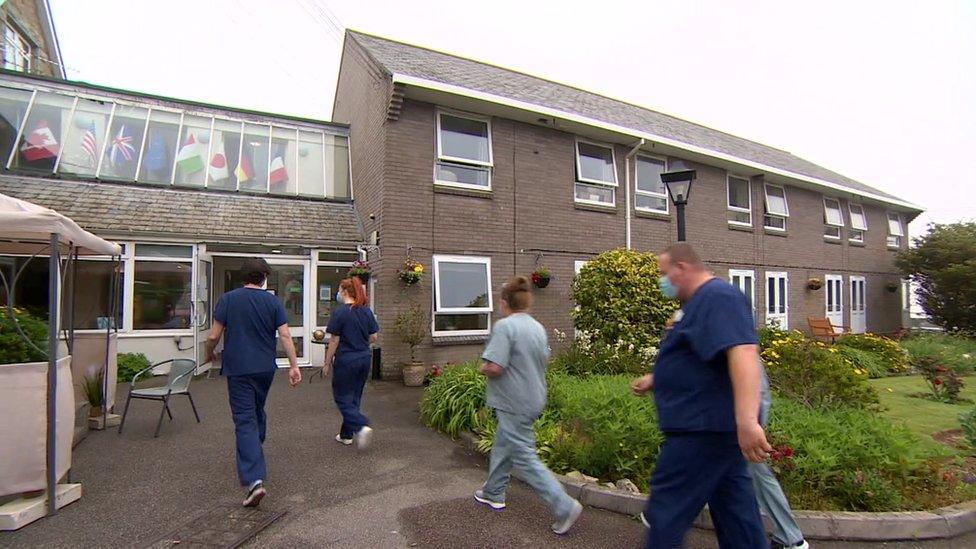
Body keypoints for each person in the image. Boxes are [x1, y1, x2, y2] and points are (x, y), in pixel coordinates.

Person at [631, 243, 771, 548]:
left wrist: (748, 420)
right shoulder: (695, 305)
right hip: (712, 431)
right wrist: (658, 378)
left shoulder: (719, 297)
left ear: (681, 268)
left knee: (666, 510)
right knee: (736, 516)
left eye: (663, 274)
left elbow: (743, 352)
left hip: (701, 431)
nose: (661, 282)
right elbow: (702, 358)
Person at [475, 276, 584, 535]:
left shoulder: (505, 327)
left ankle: (563, 505)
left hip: (513, 401)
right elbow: (541, 359)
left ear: (504, 303)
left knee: (523, 454)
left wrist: (483, 367)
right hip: (533, 397)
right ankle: (494, 492)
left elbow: (496, 366)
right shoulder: (537, 327)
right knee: (504, 443)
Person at [205, 257, 302, 508]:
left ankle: (254, 480)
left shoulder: (228, 300)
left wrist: (209, 351)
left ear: (243, 277)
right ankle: (254, 447)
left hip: (239, 369)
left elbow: (214, 334)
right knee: (256, 409)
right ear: (264, 278)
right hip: (265, 368)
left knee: (245, 419)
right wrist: (293, 366)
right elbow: (285, 335)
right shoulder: (272, 301)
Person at [751, 363, 808, 549]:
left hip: (742, 418)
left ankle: (791, 537)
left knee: (756, 472)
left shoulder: (735, 338)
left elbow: (755, 386)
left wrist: (751, 424)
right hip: (733, 417)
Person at [322, 276, 378, 449]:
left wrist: (326, 362)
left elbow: (334, 341)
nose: (338, 293)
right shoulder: (366, 311)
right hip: (364, 358)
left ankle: (361, 425)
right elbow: (373, 337)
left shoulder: (340, 312)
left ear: (345, 292)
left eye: (339, 290)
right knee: (354, 396)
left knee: (341, 397)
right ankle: (346, 435)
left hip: (346, 360)